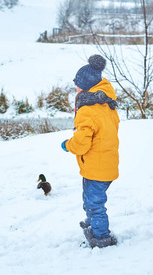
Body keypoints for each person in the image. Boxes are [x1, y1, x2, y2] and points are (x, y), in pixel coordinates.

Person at [61, 54, 119, 248]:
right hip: (104, 162)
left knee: (95, 203)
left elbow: (82, 143)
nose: (75, 88)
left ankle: (101, 236)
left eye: (77, 85)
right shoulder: (106, 105)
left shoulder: (88, 109)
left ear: (85, 87)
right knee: (90, 198)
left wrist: (68, 144)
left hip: (96, 166)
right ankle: (93, 221)